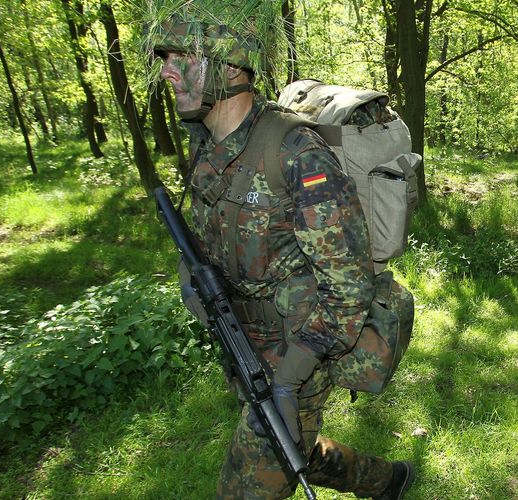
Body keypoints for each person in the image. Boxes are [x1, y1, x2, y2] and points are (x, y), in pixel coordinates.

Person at [145, 3, 414, 498]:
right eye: (163, 56)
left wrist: (289, 381)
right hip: (246, 343)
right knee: (293, 449)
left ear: (228, 65)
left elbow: (348, 288)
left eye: (178, 55)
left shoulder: (295, 153)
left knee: (245, 488)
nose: (165, 69)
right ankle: (385, 479)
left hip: (299, 351)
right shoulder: (209, 144)